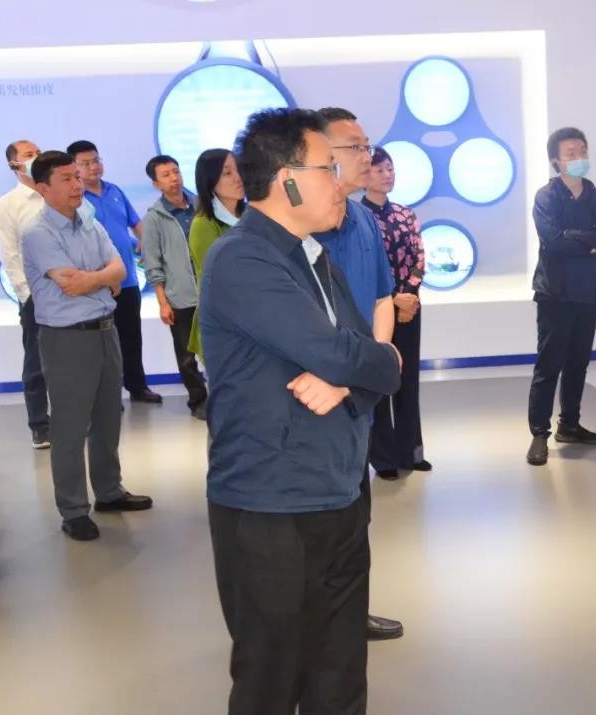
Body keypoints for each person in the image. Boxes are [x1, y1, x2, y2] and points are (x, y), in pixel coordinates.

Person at [202, 108, 402, 714]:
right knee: (272, 680)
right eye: (327, 169)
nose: (341, 183)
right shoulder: (241, 260)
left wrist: (350, 382)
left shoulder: (316, 258)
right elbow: (346, 353)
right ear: (287, 180)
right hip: (271, 505)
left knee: (338, 675)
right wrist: (363, 364)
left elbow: (373, 362)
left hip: (338, 490)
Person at [21, 151, 154, 541]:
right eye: (66, 178)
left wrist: (93, 277)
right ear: (43, 188)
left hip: (105, 330)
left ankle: (109, 492)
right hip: (66, 338)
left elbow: (120, 268)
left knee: (108, 417)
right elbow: (70, 283)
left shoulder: (90, 222)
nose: (77, 184)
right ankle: (74, 509)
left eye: (77, 177)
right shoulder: (37, 232)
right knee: (70, 426)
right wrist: (101, 277)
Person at [315, 106, 407, 642]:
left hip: (357, 397)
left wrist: (372, 365)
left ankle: (351, 612)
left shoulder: (364, 220)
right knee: (320, 521)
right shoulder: (300, 230)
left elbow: (381, 298)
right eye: (354, 146)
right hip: (317, 398)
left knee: (356, 514)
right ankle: (318, 624)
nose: (367, 155)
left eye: (367, 144)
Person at [526, 127, 596, 466]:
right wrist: (588, 240)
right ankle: (539, 434)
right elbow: (552, 241)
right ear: (556, 161)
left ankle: (570, 425)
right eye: (571, 153)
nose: (579, 157)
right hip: (555, 292)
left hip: (588, 293)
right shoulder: (547, 197)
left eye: (582, 151)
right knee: (549, 365)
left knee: (578, 363)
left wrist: (576, 237)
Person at [66, 140, 162, 405]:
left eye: (96, 160)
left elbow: (136, 225)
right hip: (97, 283)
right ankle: (108, 396)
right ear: (74, 167)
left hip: (128, 280)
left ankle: (138, 387)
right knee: (102, 343)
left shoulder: (115, 191)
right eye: (85, 163)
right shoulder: (75, 199)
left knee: (132, 337)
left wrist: (148, 246)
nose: (93, 167)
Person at [362, 145, 430, 479]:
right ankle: (384, 458)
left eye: (389, 168)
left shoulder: (406, 214)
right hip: (376, 310)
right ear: (365, 175)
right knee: (379, 381)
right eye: (379, 169)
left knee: (408, 381)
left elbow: (419, 258)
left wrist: (409, 296)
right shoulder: (356, 218)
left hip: (410, 307)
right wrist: (392, 299)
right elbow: (365, 269)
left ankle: (411, 452)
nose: (387, 174)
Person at [140, 155, 207, 419]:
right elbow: (153, 263)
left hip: (210, 292)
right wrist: (162, 302)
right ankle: (198, 401)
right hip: (180, 296)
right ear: (156, 184)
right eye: (166, 175)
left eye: (176, 172)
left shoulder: (202, 206)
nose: (174, 178)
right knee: (186, 355)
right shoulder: (155, 218)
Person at [0, 139, 50, 447]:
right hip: (35, 296)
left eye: (38, 152)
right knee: (36, 362)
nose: (36, 157)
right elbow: (10, 255)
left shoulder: (55, 194)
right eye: (29, 155)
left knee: (73, 360)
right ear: (13, 164)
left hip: (71, 290)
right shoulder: (7, 205)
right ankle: (40, 425)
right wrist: (27, 295)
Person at [187, 148, 245, 361]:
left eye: (238, 170)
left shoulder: (250, 217)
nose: (238, 178)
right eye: (227, 173)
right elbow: (218, 280)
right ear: (210, 181)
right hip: (224, 327)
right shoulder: (203, 224)